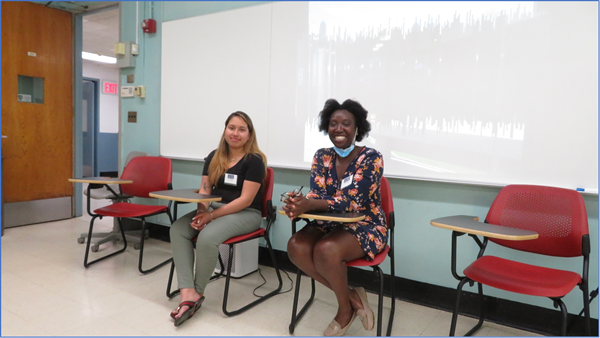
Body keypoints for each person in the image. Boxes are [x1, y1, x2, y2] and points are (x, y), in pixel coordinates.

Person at [282, 98, 387, 336]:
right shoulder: (322, 156)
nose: (338, 129)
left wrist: (310, 203)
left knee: (326, 250)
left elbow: (353, 202)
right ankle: (353, 297)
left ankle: (343, 311)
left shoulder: (372, 157)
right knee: (296, 246)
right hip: (328, 224)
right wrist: (298, 202)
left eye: (346, 123)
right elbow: (316, 193)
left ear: (357, 127)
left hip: (366, 225)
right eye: (333, 123)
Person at [169, 111, 267, 327]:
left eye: (242, 129)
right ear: (225, 130)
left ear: (249, 135)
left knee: (207, 237)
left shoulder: (254, 160)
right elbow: (205, 190)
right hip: (214, 209)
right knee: (178, 230)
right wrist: (200, 213)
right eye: (231, 127)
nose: (235, 133)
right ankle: (187, 291)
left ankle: (197, 293)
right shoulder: (214, 156)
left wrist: (210, 217)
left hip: (246, 214)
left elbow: (245, 200)